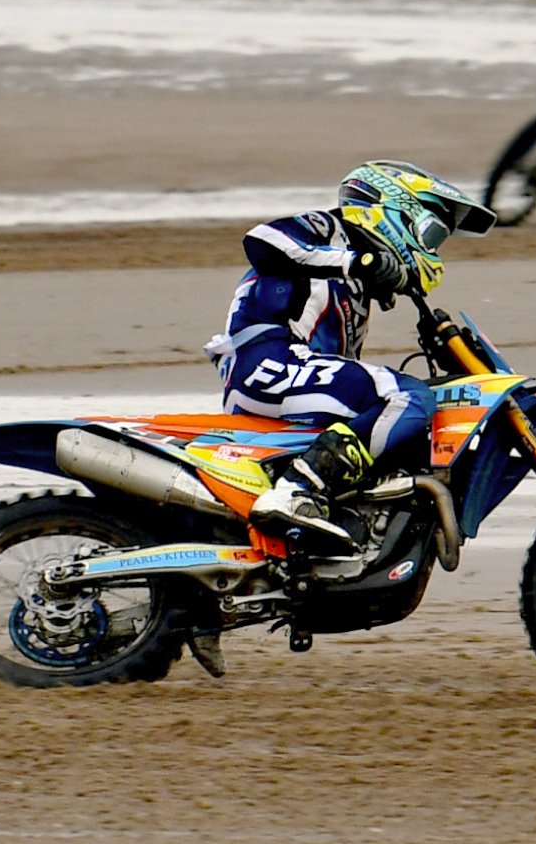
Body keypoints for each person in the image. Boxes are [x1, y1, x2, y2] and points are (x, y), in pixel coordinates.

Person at [206, 160, 490, 551]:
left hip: (285, 376)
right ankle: (295, 493)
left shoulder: (355, 295)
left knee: (399, 424)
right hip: (269, 364)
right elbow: (262, 240)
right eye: (432, 233)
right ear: (392, 209)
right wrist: (361, 262)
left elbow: (345, 372)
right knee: (405, 396)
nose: (433, 249)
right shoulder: (329, 231)